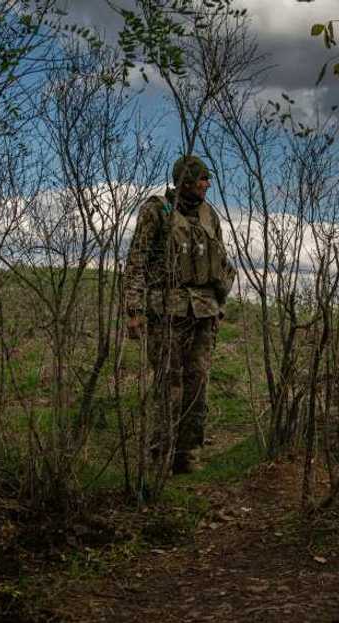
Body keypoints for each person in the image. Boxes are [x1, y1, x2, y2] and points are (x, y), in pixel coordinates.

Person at [124, 155, 235, 474]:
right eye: (202, 179)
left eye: (207, 178)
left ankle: (188, 453)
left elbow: (223, 262)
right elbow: (136, 261)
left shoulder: (210, 215)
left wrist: (220, 304)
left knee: (197, 384)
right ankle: (162, 453)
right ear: (185, 180)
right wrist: (134, 310)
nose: (207, 184)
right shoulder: (156, 211)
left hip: (204, 314)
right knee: (167, 384)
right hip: (165, 311)